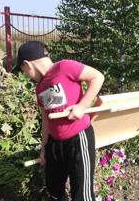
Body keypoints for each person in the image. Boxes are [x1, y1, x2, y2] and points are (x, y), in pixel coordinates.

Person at [16, 41, 104, 200]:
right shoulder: (40, 87)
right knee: (54, 188)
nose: (25, 75)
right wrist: (44, 148)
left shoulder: (64, 67)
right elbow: (45, 120)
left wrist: (82, 106)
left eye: (23, 71)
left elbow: (98, 77)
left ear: (27, 64)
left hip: (79, 139)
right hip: (55, 144)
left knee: (82, 195)